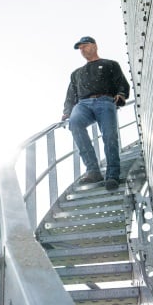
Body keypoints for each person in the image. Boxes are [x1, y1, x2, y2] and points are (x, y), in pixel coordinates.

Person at [61, 36, 130, 190]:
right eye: (80, 48)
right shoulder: (76, 73)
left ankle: (112, 175)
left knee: (109, 135)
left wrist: (121, 95)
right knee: (74, 123)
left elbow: (121, 83)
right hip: (83, 104)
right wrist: (67, 112)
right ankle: (93, 171)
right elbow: (71, 95)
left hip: (105, 101)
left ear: (94, 46)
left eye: (84, 46)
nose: (82, 49)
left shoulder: (110, 64)